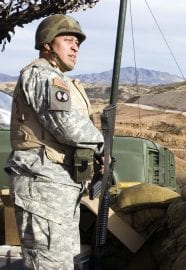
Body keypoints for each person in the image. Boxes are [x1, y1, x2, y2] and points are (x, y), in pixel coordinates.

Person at [4, 14, 104, 270]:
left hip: (58, 188)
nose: (75, 47)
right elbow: (66, 125)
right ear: (47, 43)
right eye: (68, 40)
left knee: (63, 263)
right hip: (42, 187)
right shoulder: (42, 76)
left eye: (78, 43)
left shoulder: (59, 79)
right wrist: (102, 144)